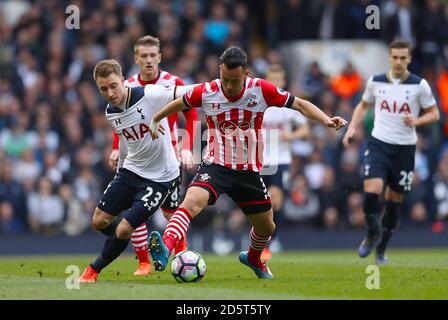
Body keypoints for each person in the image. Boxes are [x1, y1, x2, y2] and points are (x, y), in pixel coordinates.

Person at [147, 46, 347, 279]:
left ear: (246, 74)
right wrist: (155, 118)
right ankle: (165, 249)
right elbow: (181, 103)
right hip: (216, 166)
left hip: (248, 172)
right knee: (191, 202)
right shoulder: (208, 90)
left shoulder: (261, 90)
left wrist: (326, 119)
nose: (229, 86)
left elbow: (300, 104)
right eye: (224, 79)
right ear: (219, 71)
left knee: (267, 227)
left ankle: (253, 258)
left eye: (234, 81)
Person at [79, 59, 193, 283]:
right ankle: (120, 242)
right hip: (131, 170)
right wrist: (120, 166)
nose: (110, 93)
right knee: (98, 221)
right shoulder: (111, 111)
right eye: (104, 89)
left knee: (125, 229)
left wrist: (220, 86)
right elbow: (124, 141)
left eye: (114, 86)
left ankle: (93, 270)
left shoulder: (149, 94)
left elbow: (187, 93)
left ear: (123, 81)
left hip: (161, 177)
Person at [342, 40, 440, 264]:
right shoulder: (376, 81)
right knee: (371, 191)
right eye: (395, 57)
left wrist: (416, 120)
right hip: (379, 143)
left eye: (402, 57)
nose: (398, 61)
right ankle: (371, 233)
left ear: (409, 59)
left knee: (394, 203)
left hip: (404, 149)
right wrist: (352, 128)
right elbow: (363, 105)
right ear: (389, 57)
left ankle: (382, 248)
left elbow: (434, 114)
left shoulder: (419, 85)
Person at [108, 35, 198, 276]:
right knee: (134, 211)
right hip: (136, 161)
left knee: (171, 212)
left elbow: (191, 114)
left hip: (167, 160)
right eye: (143, 56)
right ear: (136, 58)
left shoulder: (173, 81)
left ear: (160, 57)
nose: (148, 60)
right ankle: (143, 262)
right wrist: (116, 147)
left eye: (152, 55)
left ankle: (181, 253)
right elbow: (120, 122)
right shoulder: (127, 86)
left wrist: (188, 146)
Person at [260, 64, 310, 260]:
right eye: (271, 78)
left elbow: (305, 130)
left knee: (275, 198)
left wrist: (291, 135)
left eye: (278, 79)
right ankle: (261, 239)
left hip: (281, 160)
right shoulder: (259, 102)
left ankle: (270, 242)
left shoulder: (287, 104)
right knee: (260, 203)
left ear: (283, 81)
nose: (275, 82)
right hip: (259, 160)